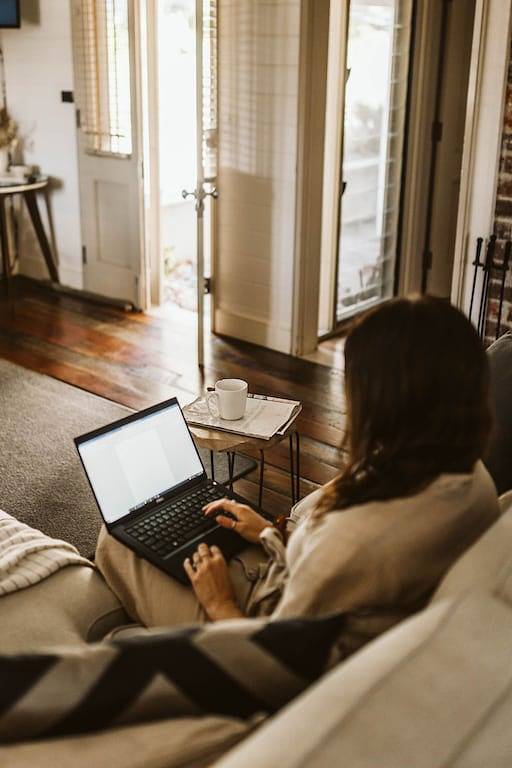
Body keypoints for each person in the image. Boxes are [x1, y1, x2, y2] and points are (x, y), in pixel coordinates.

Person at [96, 295, 500, 658]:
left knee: (114, 540)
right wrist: (270, 533)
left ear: (382, 405)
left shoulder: (355, 540)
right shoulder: (473, 479)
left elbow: (273, 660)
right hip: (284, 570)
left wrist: (219, 602)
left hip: (252, 623)